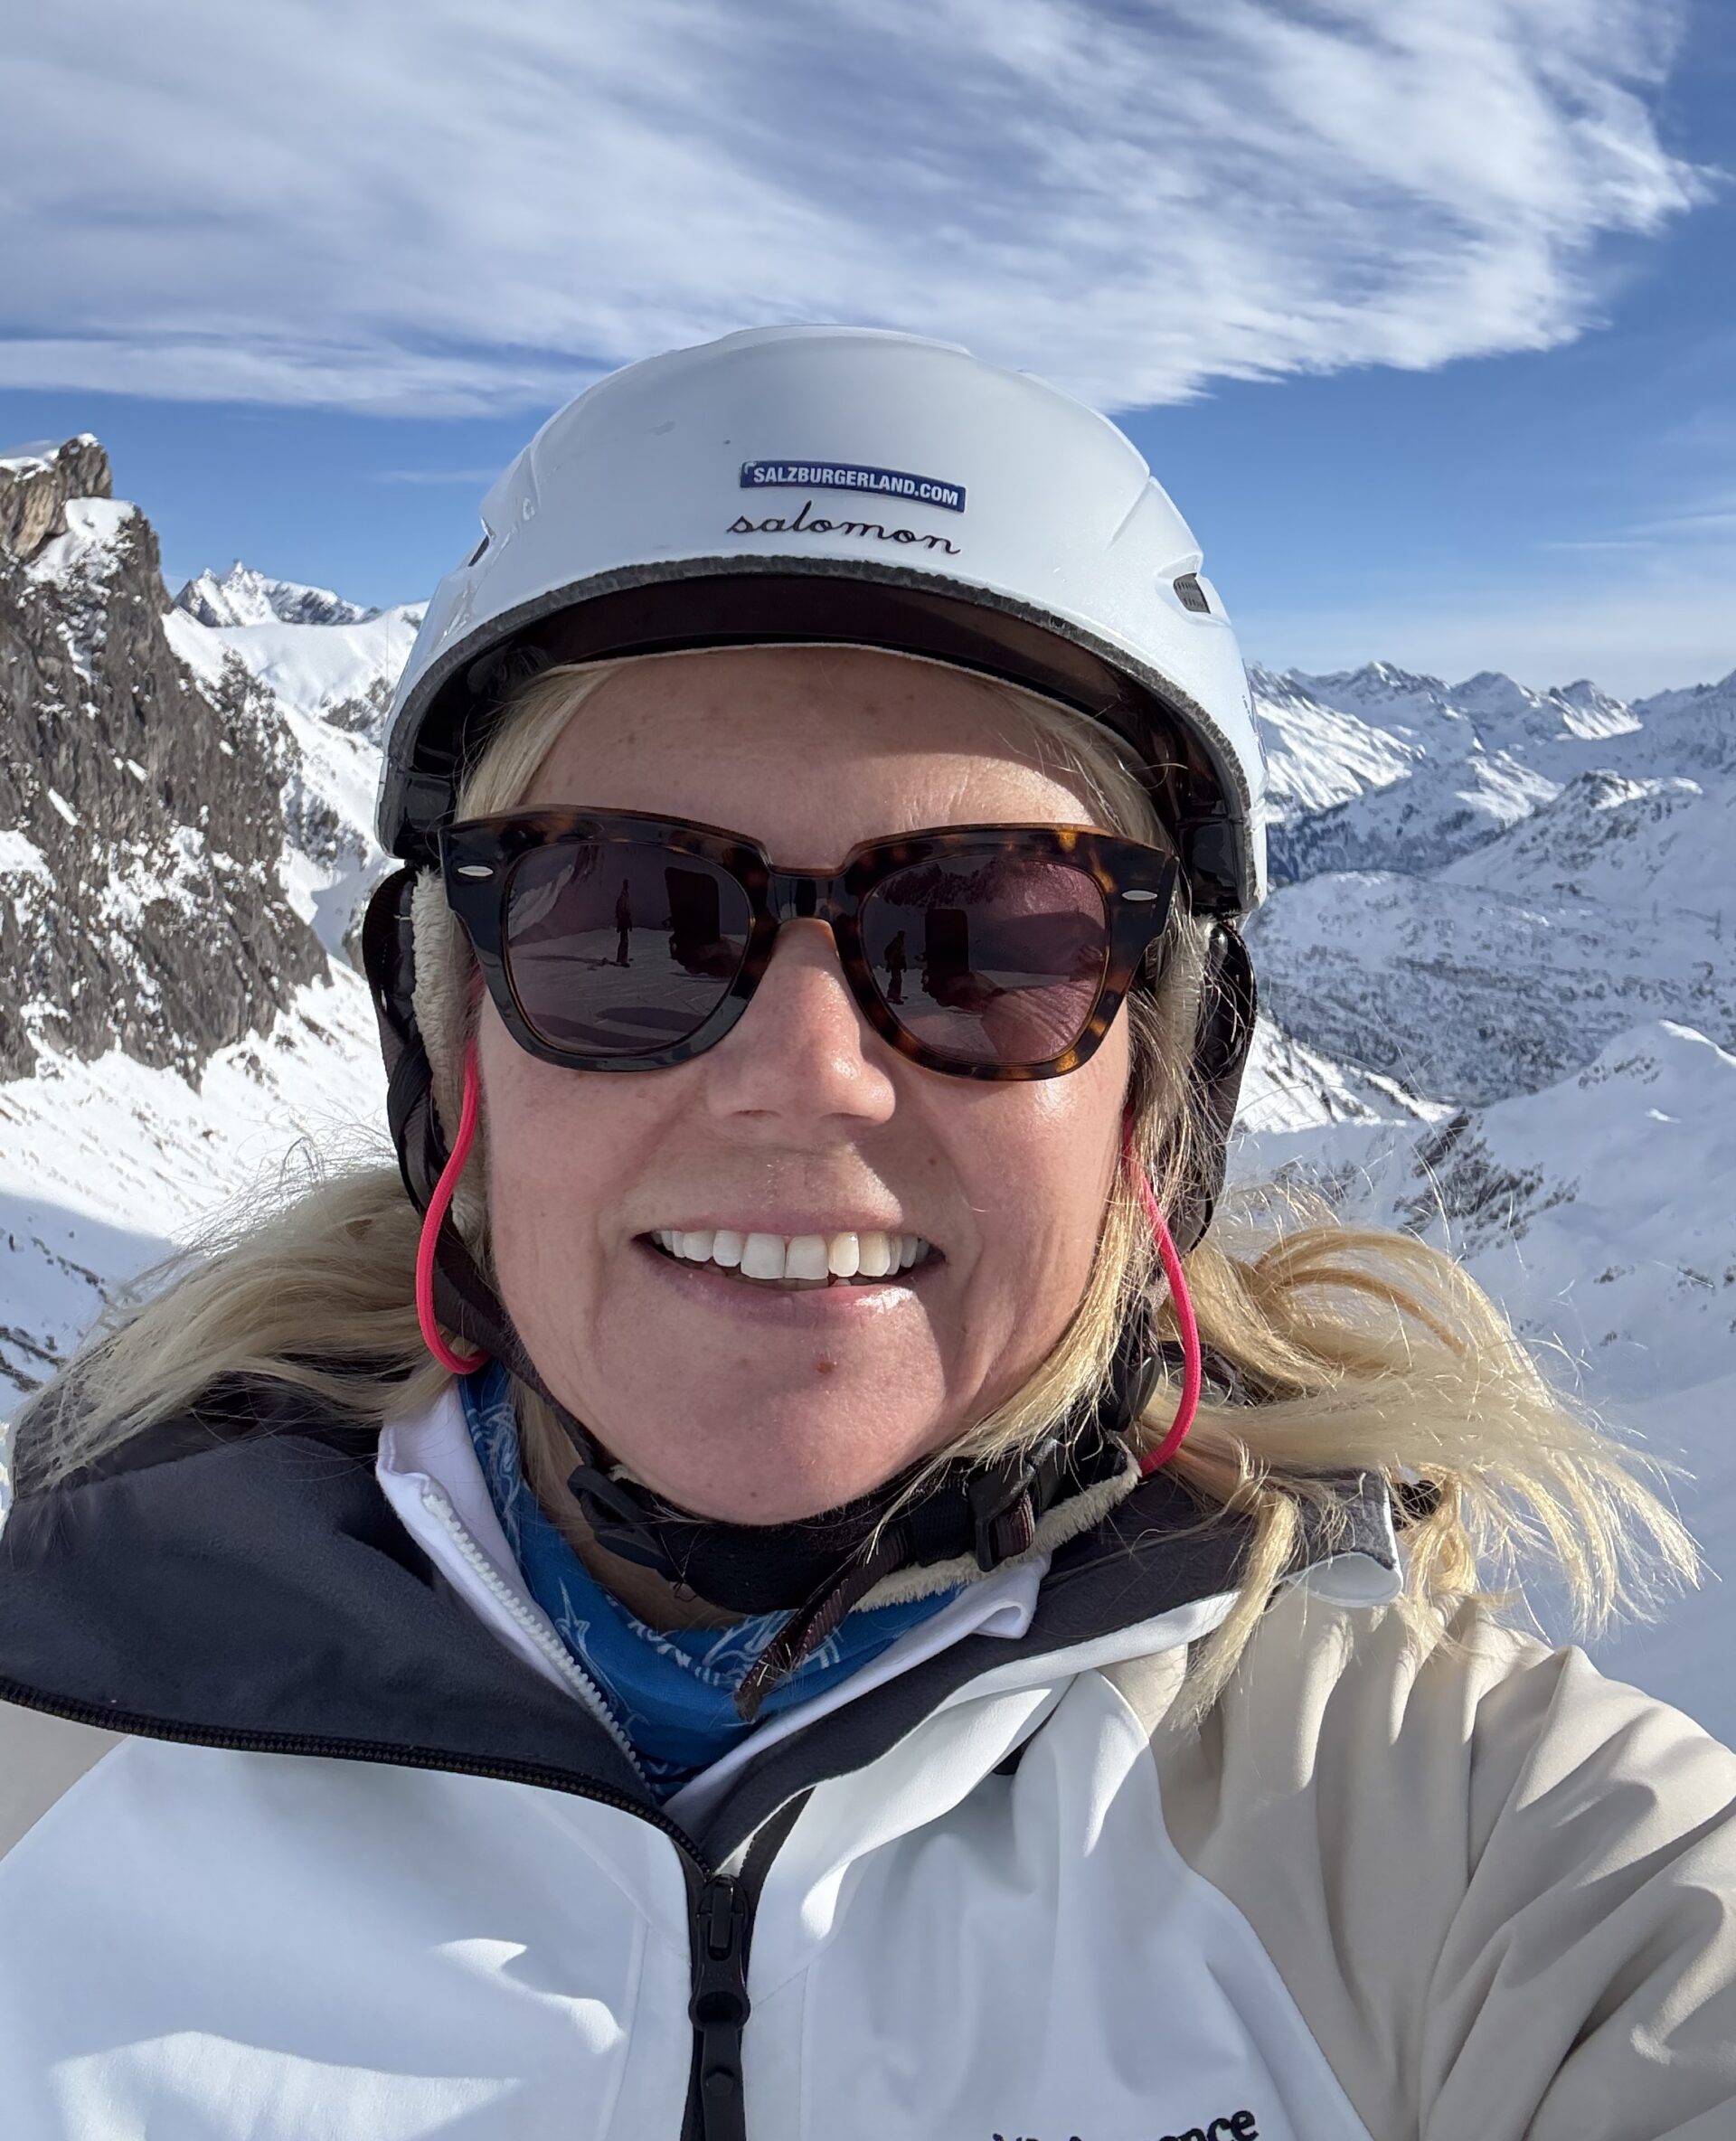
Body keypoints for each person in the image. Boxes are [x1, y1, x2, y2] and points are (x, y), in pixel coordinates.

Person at [0, 325, 1731, 2140]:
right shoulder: (57, 1736)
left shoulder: (1459, 1848)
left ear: (1161, 1092)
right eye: (629, 920)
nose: (804, 1075)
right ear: (448, 1046)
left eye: (987, 939)